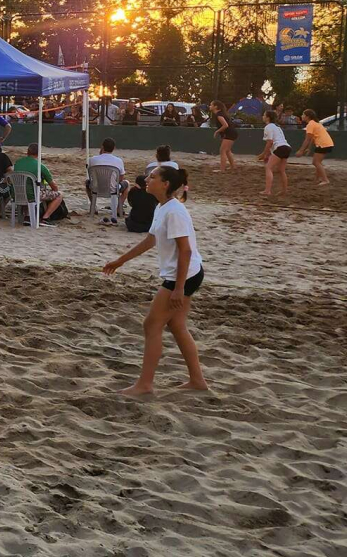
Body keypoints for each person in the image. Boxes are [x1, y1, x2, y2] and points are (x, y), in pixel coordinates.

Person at [102, 165, 208, 397]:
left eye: (152, 177)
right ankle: (197, 381)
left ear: (165, 184)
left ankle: (145, 384)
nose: (147, 180)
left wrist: (178, 287)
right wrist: (120, 261)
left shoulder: (174, 211)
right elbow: (150, 241)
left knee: (151, 325)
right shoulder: (162, 207)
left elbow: (186, 251)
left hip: (183, 275)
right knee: (177, 326)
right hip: (185, 274)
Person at [12, 144, 66, 224]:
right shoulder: (40, 166)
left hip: (16, 193)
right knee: (59, 195)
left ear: (27, 152)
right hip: (33, 195)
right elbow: (53, 185)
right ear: (39, 153)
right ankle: (45, 217)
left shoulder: (18, 163)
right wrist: (55, 191)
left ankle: (27, 216)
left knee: (28, 187)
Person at [87, 137, 129, 224]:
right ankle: (118, 208)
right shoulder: (118, 161)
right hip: (113, 188)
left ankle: (93, 207)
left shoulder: (92, 160)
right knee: (127, 184)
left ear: (102, 147)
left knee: (87, 183)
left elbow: (90, 176)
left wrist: (100, 154)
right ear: (114, 148)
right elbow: (121, 178)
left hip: (96, 188)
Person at [295, 109, 335, 185]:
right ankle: (317, 179)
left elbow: (307, 139)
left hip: (323, 144)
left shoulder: (310, 124)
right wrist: (309, 148)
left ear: (307, 117)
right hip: (327, 143)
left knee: (316, 162)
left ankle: (325, 180)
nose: (302, 116)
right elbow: (312, 138)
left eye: (303, 115)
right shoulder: (315, 123)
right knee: (317, 162)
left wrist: (301, 151)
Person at [257, 109, 290, 196]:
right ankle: (284, 190)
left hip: (280, 148)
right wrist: (267, 155)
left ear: (268, 118)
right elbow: (273, 143)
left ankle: (267, 191)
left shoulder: (268, 127)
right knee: (281, 170)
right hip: (286, 147)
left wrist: (263, 154)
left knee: (268, 167)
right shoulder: (277, 127)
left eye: (264, 115)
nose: (263, 117)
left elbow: (270, 142)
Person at [209, 100, 238, 171]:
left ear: (215, 107)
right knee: (227, 151)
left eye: (211, 105)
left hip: (230, 133)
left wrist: (217, 131)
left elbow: (225, 125)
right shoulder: (220, 114)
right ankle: (233, 166)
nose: (209, 106)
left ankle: (222, 169)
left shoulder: (219, 115)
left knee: (222, 151)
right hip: (232, 133)